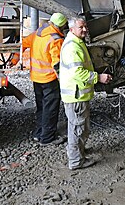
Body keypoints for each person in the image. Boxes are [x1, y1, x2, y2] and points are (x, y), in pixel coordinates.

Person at [59, 17, 112, 170]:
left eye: (85, 26)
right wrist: (98, 77)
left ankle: (76, 151)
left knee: (78, 126)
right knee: (78, 128)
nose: (84, 29)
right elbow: (78, 72)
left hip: (78, 94)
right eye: (81, 27)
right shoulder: (72, 47)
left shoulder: (76, 42)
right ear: (71, 29)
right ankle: (76, 161)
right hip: (76, 95)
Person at [22, 12, 68, 145]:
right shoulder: (56, 39)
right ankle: (47, 138)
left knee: (41, 107)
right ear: (61, 26)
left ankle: (39, 133)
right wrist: (63, 80)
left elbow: (23, 43)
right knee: (51, 108)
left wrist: (13, 60)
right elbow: (57, 64)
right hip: (49, 79)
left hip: (36, 78)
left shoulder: (37, 33)